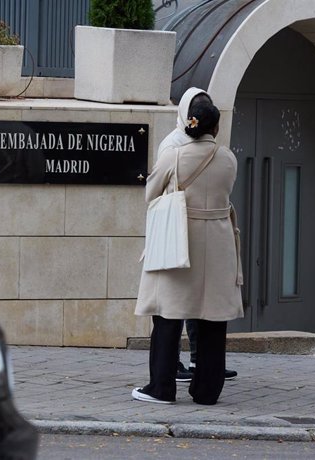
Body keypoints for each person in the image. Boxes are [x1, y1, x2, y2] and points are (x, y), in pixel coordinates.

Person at [132, 101, 243, 405]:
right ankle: (207, 390)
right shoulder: (228, 158)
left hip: (180, 239)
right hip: (219, 242)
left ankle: (161, 388)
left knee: (168, 315)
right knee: (212, 318)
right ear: (216, 128)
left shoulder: (174, 155)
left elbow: (150, 193)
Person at [157, 87, 238, 382]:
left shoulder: (208, 150)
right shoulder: (173, 148)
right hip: (182, 234)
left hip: (197, 234)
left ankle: (198, 363)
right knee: (177, 305)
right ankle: (182, 364)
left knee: (198, 305)